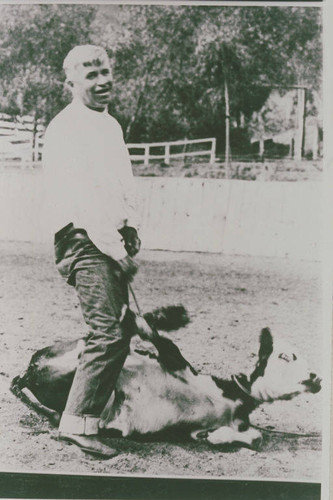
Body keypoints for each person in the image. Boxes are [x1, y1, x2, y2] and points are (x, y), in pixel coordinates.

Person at [43, 45, 141, 458]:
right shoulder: (67, 128)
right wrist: (115, 248)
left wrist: (130, 226)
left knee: (119, 333)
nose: (102, 82)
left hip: (107, 237)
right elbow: (85, 199)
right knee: (107, 332)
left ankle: (90, 416)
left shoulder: (110, 125)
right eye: (91, 75)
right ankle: (76, 424)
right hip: (84, 239)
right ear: (70, 84)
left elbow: (120, 183)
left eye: (105, 72)